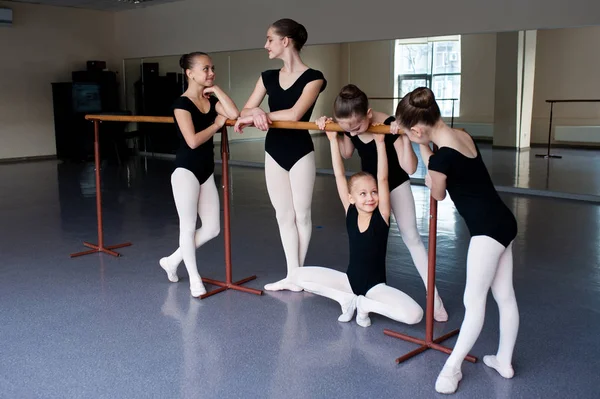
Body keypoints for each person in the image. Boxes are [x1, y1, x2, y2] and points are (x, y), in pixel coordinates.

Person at [396, 87, 519, 394]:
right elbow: (440, 160)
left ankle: (451, 369)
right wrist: (423, 147)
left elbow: (437, 192)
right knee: (504, 296)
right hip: (504, 221)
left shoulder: (440, 160)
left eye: (410, 134)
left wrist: (425, 157)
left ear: (418, 129)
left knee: (473, 303)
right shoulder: (463, 135)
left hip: (486, 232)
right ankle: (504, 360)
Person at [316, 84, 448, 322]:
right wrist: (333, 130)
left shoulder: (388, 124)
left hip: (395, 185)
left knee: (412, 239)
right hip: (371, 191)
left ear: (368, 114)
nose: (353, 133)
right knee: (369, 242)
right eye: (347, 128)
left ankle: (435, 298)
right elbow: (346, 153)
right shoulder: (351, 125)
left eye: (356, 127)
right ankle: (370, 288)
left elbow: (409, 167)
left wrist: (403, 136)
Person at [291, 129, 423, 328]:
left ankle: (363, 305)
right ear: (352, 198)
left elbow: (384, 179)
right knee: (295, 275)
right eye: (362, 194)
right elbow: (338, 175)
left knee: (415, 315)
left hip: (376, 288)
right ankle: (346, 299)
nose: (370, 197)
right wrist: (333, 140)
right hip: (348, 282)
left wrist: (380, 144)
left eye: (373, 192)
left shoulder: (382, 216)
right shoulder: (350, 211)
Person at [234, 18, 327, 292]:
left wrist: (261, 115)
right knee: (283, 215)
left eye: (269, 39)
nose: (266, 45)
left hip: (300, 151)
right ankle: (292, 275)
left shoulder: (314, 78)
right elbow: (244, 111)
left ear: (285, 41)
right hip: (273, 151)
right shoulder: (267, 77)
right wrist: (255, 113)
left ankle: (296, 275)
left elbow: (295, 114)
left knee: (302, 214)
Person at [159, 52, 239, 298]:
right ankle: (194, 278)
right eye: (205, 69)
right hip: (185, 171)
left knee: (213, 228)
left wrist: (216, 90)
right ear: (190, 73)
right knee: (188, 226)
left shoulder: (209, 99)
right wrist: (216, 125)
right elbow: (192, 141)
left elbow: (234, 114)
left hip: (205, 171)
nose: (211, 72)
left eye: (212, 68)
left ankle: (172, 260)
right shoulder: (181, 104)